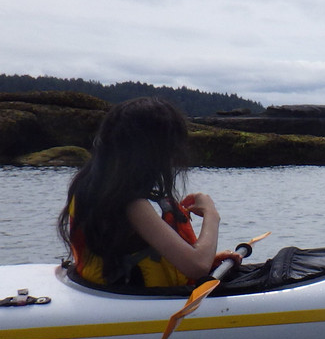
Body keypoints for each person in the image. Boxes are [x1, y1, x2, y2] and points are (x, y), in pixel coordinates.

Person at [58, 97, 236, 289]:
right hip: (128, 308)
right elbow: (197, 266)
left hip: (100, 293)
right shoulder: (132, 205)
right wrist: (211, 214)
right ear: (153, 151)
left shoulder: (88, 186)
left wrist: (206, 258)